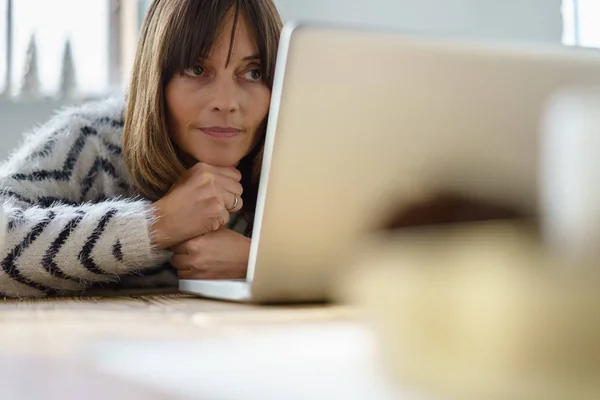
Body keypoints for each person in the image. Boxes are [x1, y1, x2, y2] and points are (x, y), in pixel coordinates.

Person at [0, 0, 283, 298]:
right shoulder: (92, 142)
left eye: (253, 73)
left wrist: (259, 261)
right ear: (156, 76)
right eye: (197, 69)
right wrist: (157, 223)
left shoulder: (295, 158)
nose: (226, 102)